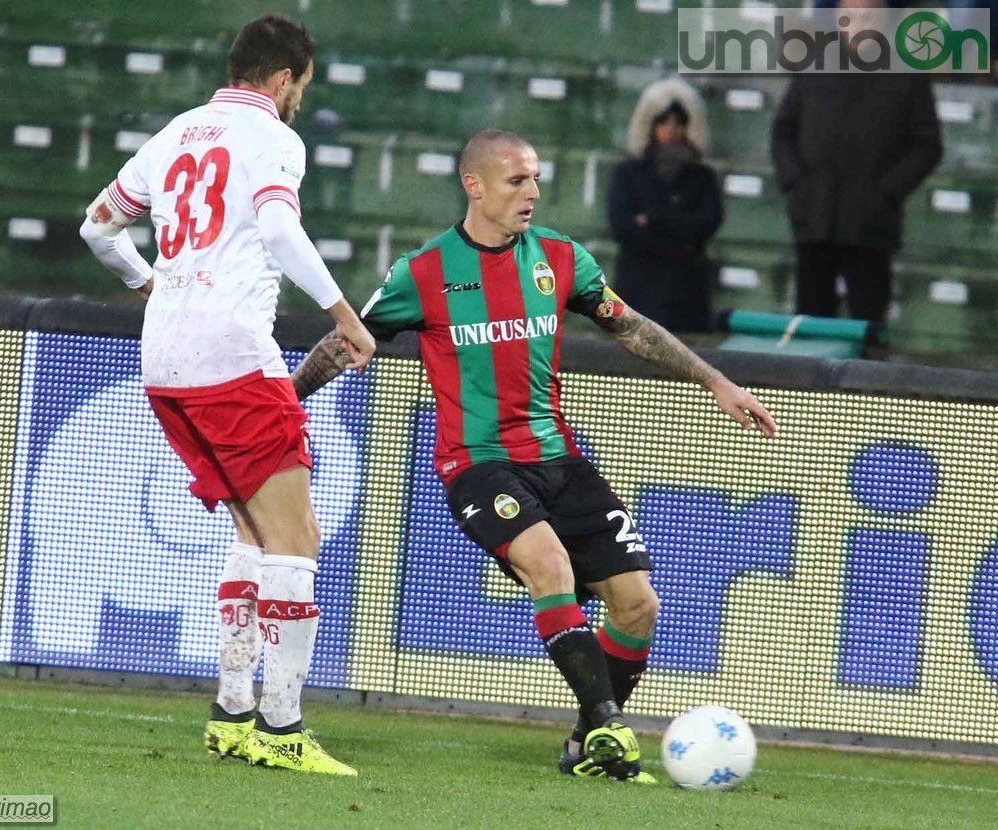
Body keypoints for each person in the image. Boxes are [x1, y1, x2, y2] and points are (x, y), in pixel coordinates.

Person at [291, 129, 778, 783]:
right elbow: (347, 339)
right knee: (548, 565)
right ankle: (610, 726)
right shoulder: (425, 273)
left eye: (536, 178)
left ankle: (586, 741)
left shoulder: (560, 258)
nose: (534, 193)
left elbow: (629, 327)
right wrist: (286, 402)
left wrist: (715, 381)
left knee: (638, 605)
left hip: (560, 460)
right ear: (475, 185)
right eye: (517, 180)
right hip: (478, 464)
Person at [79, 14, 374, 777]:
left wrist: (147, 282)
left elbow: (97, 227)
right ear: (283, 79)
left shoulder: (177, 133)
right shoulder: (274, 138)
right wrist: (343, 314)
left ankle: (232, 711)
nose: (300, 98)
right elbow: (277, 230)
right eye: (302, 85)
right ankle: (283, 727)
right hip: (233, 358)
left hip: (165, 362)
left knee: (252, 532)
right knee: (296, 537)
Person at [771, 0, 943, 323]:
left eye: (867, 17)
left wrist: (886, 194)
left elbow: (927, 145)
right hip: (814, 221)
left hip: (871, 227)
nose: (858, 25)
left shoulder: (906, 73)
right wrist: (796, 183)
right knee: (809, 328)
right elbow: (783, 130)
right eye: (850, 18)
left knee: (868, 329)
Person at [607, 78, 723, 333]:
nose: (670, 130)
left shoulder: (702, 177)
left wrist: (653, 220)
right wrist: (678, 238)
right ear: (649, 124)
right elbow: (622, 227)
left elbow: (707, 222)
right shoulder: (627, 174)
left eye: (678, 123)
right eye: (663, 122)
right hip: (637, 290)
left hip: (686, 296)